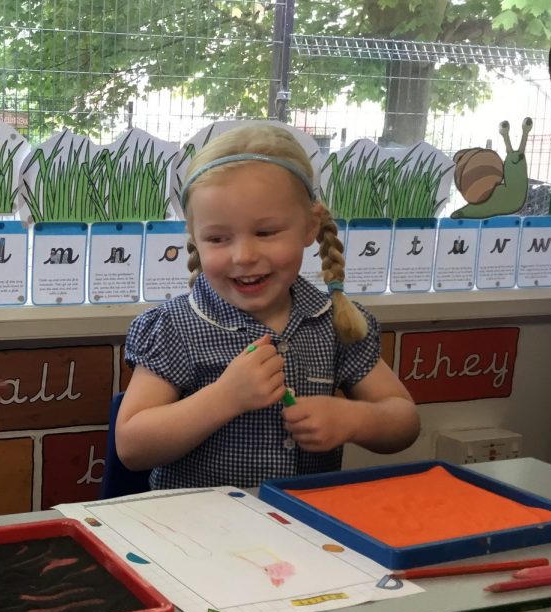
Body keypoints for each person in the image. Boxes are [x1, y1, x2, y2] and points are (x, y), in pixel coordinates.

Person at [116, 124, 419, 488]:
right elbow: (131, 446)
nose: (244, 256)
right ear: (195, 239)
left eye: (265, 232)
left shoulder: (334, 323)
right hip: (197, 521)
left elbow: (404, 421)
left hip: (299, 519)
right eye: (217, 238)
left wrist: (353, 420)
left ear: (310, 226)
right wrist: (225, 397)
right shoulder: (175, 327)